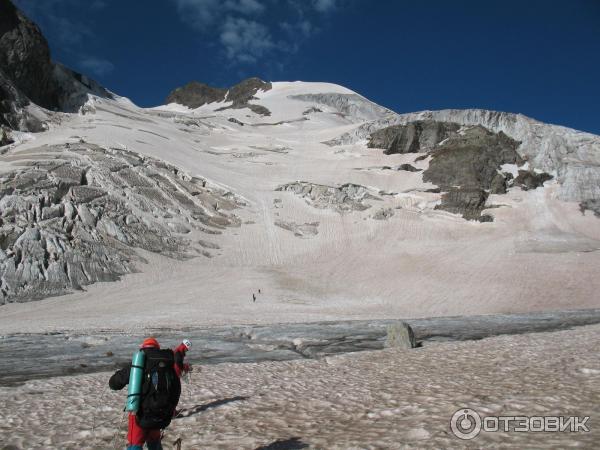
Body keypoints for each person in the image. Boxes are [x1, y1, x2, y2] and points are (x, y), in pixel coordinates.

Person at [109, 338, 192, 450]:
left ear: (143, 348)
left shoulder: (139, 360)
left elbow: (115, 384)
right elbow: (176, 382)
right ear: (157, 348)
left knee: (135, 444)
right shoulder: (168, 362)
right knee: (154, 442)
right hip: (160, 413)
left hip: (139, 414)